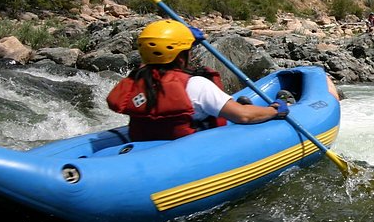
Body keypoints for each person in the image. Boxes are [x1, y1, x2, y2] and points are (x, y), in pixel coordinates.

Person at [106, 19, 287, 142]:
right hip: (191, 149)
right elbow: (243, 116)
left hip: (146, 144)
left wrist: (186, 39)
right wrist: (273, 111)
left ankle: (239, 103)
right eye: (188, 50)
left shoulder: (136, 79)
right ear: (181, 56)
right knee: (242, 110)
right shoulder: (196, 85)